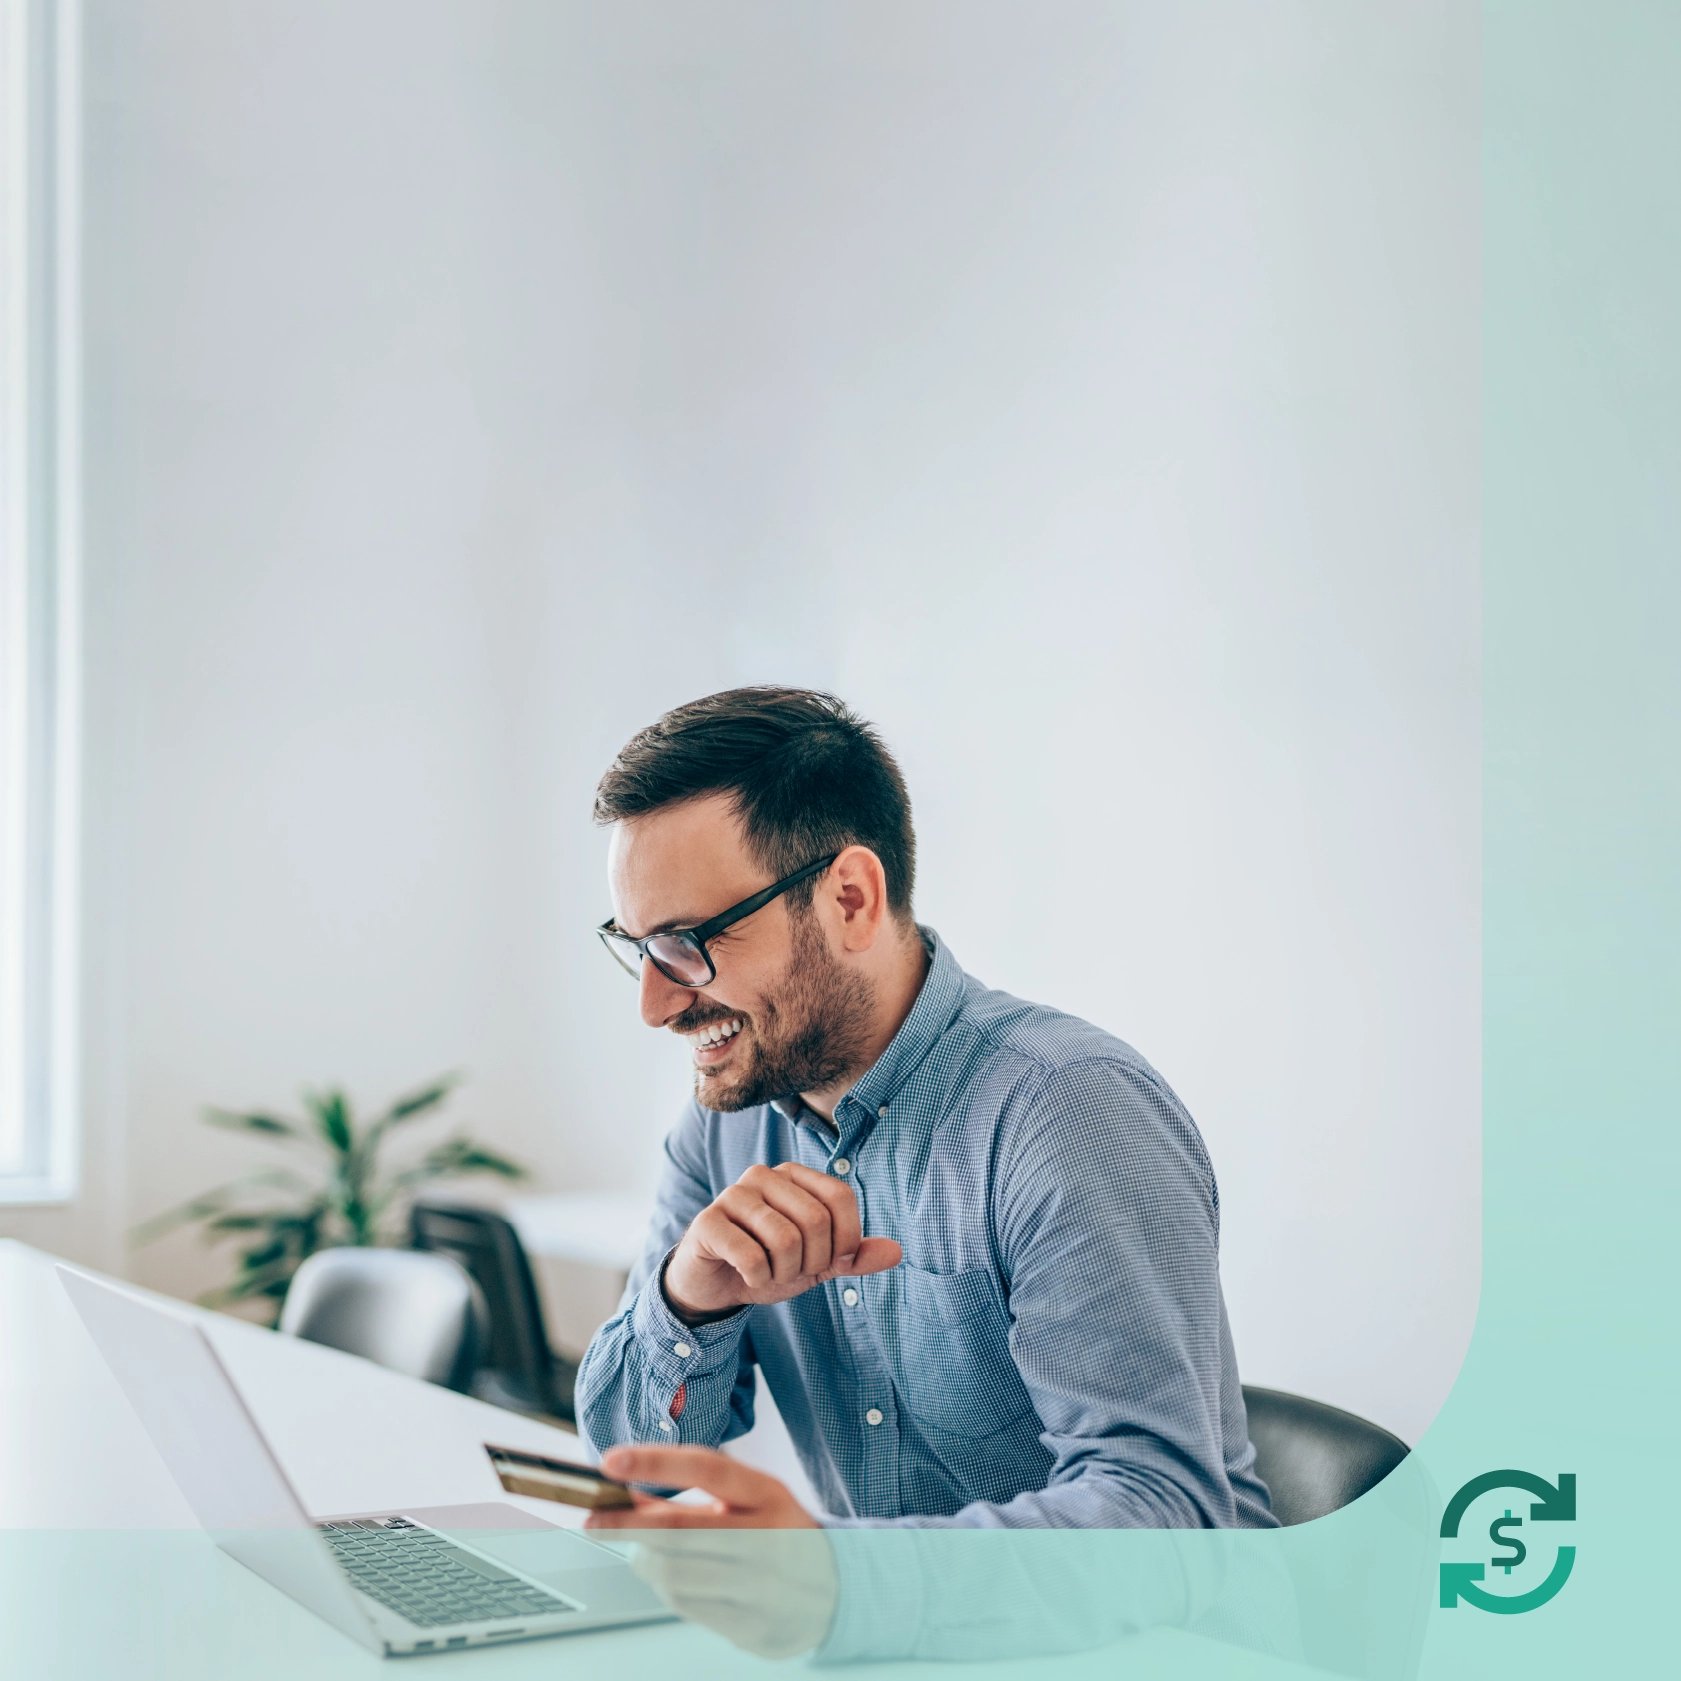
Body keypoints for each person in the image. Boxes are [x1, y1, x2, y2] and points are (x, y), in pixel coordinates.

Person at [573, 686, 1280, 1658]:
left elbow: (1164, 1521)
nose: (655, 1006)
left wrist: (840, 1581)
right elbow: (625, 1461)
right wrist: (685, 1299)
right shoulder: (723, 1125)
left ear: (850, 898)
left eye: (688, 946)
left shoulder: (1064, 1108)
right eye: (639, 948)